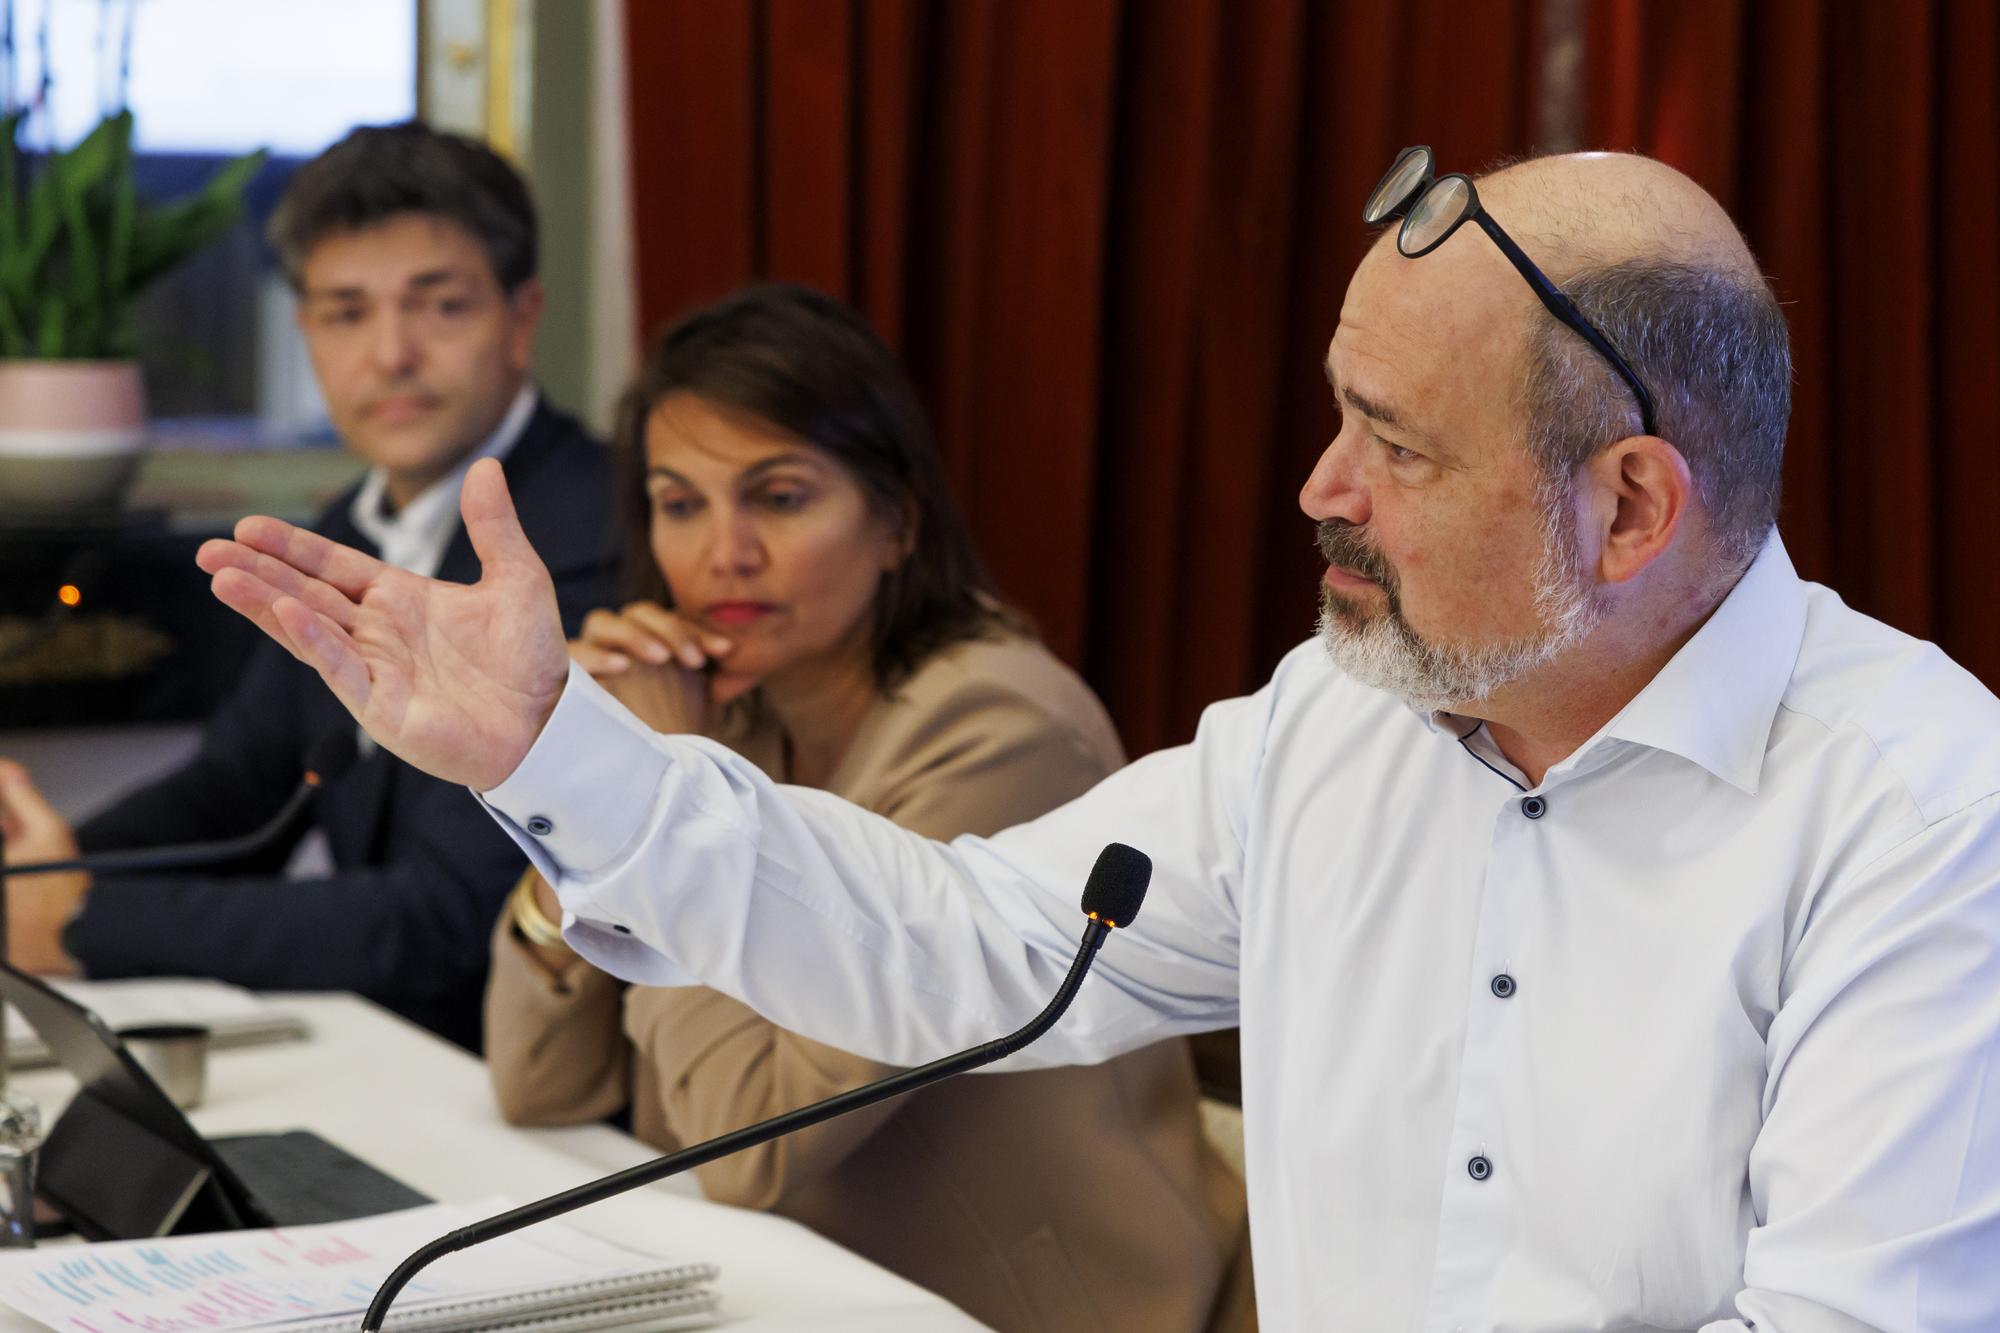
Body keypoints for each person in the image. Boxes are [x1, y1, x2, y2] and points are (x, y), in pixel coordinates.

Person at [197, 148, 2000, 1330]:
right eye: (1336, 416)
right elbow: (954, 940)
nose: (1322, 488)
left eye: (1396, 444)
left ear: (1630, 507)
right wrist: (549, 746)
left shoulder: (1921, 807)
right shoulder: (1337, 723)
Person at [482, 284, 1247, 1332]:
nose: (724, 552)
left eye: (779, 497)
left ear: (898, 522)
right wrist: (587, 797)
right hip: (786, 1286)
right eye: (680, 503)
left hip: (1030, 1307)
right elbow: (538, 1084)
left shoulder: (997, 730)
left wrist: (649, 789)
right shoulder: (727, 704)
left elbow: (744, 1144)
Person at [0, 122, 615, 1051]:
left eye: (441, 305)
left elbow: (448, 919)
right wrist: (37, 868)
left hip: (528, 1071)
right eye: (346, 312)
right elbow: (237, 790)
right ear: (306, 332)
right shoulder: (344, 529)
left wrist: (83, 922)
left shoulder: (590, 533)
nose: (391, 353)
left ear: (521, 319)